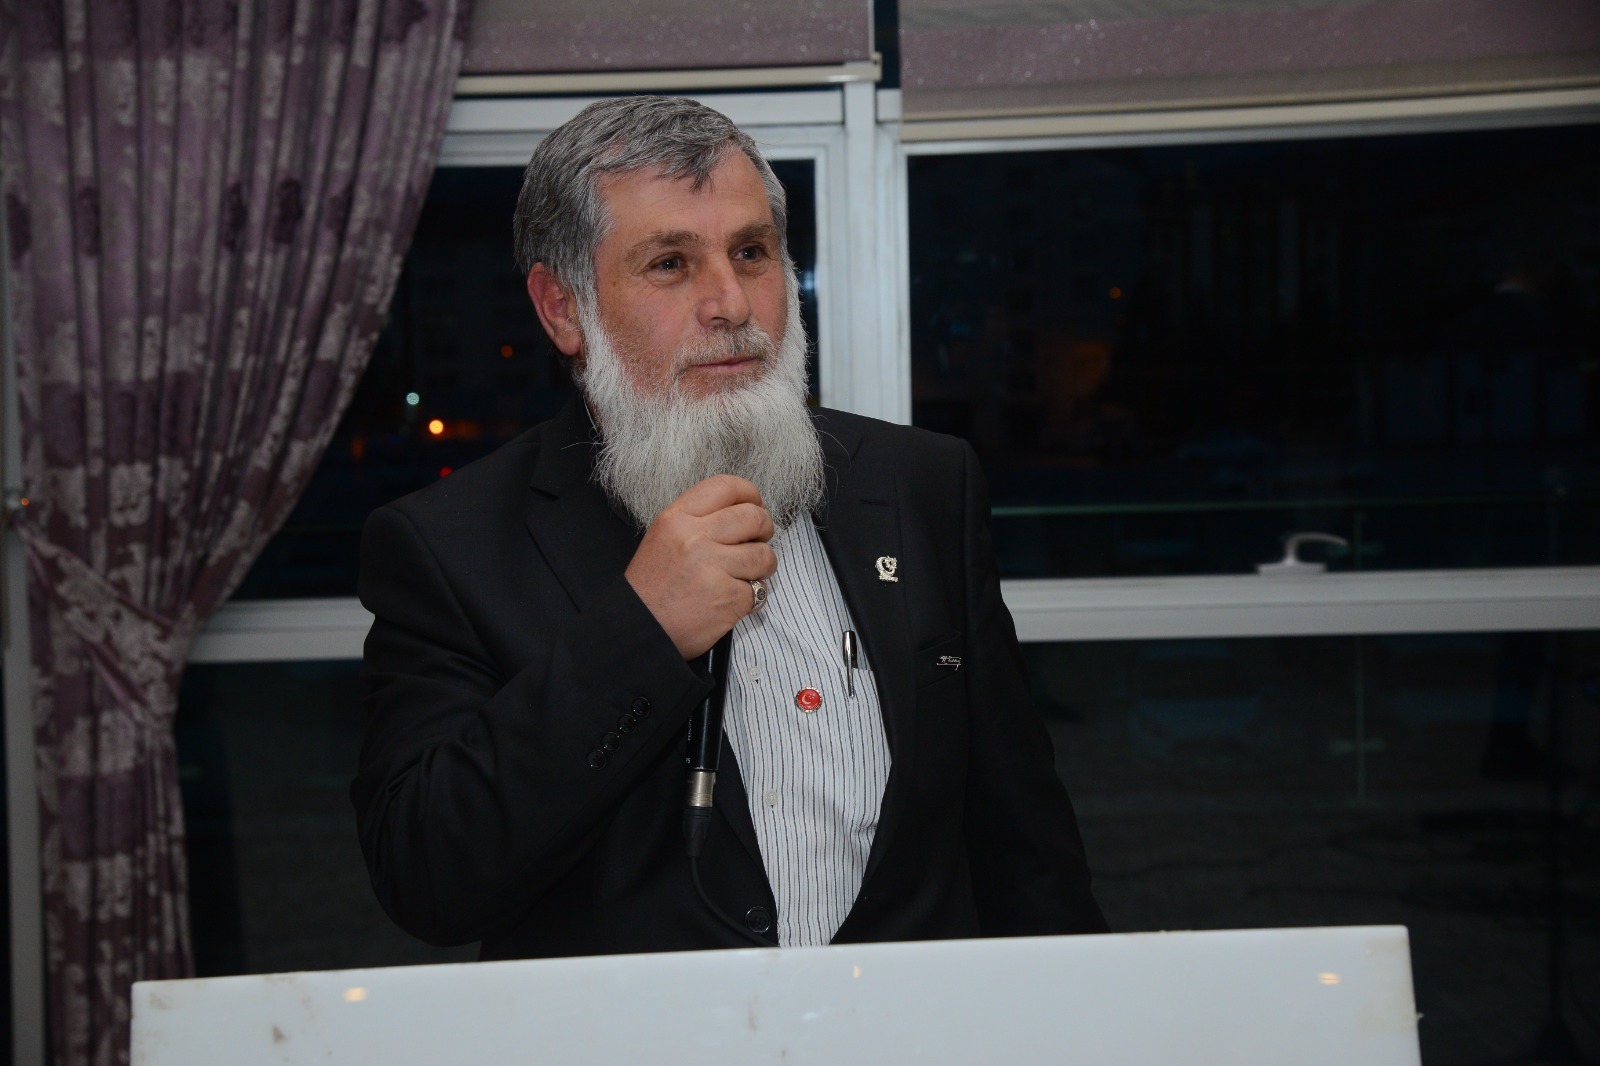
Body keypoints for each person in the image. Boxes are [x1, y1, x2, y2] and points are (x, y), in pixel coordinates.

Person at [352, 96, 1105, 959]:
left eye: (752, 252)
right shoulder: (449, 544)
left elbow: (1023, 841)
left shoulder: (921, 483)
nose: (731, 303)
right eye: (670, 263)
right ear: (563, 309)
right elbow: (427, 875)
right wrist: (640, 633)